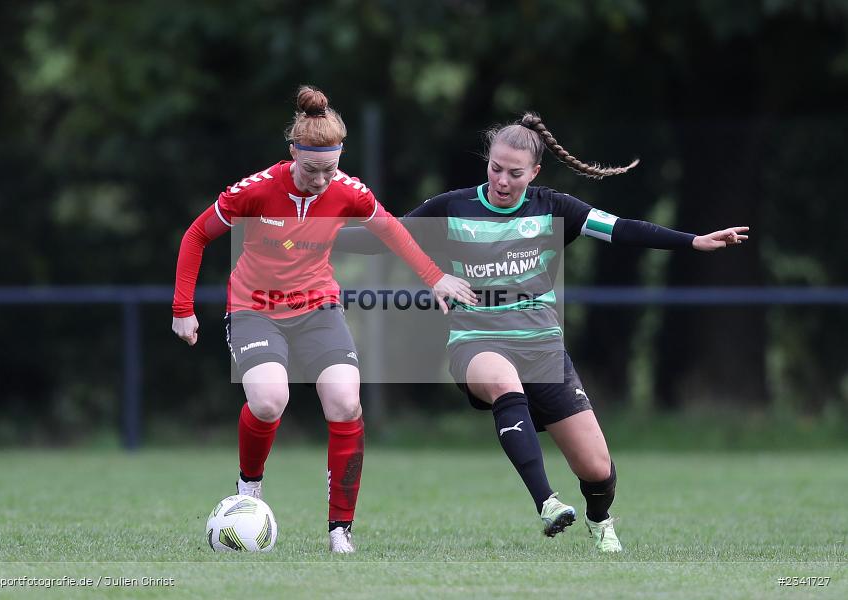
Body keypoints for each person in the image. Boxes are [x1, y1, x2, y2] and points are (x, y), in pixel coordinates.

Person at [334, 112, 748, 552]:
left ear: (534, 172)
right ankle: (547, 502)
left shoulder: (554, 208)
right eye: (495, 168)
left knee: (597, 469)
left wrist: (693, 241)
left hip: (544, 352)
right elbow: (385, 237)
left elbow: (622, 230)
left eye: (515, 173)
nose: (502, 180)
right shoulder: (453, 207)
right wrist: (313, 234)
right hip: (477, 342)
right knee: (501, 380)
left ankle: (600, 519)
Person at [171, 86, 476, 553]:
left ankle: (340, 532)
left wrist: (435, 278)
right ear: (293, 153)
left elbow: (393, 229)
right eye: (311, 170)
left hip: (317, 308)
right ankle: (249, 488)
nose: (319, 180)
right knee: (271, 400)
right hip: (255, 308)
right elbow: (196, 235)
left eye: (329, 170)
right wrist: (183, 309)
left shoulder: (347, 191)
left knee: (345, 403)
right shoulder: (255, 192)